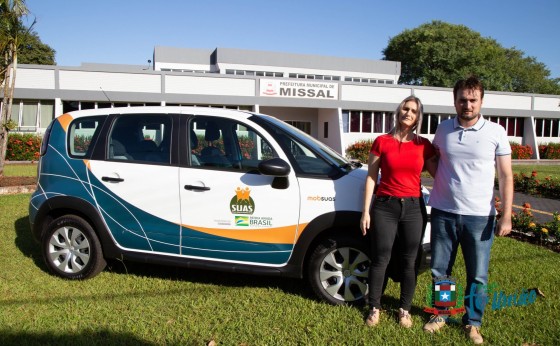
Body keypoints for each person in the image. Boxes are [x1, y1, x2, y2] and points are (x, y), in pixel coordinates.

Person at [423, 76, 513, 344]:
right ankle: (441, 313)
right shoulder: (443, 129)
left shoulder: (496, 132)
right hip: (443, 211)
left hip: (479, 217)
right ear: (455, 101)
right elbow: (432, 158)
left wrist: (506, 215)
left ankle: (472, 322)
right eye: (462, 99)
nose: (468, 105)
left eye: (473, 100)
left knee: (478, 275)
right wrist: (443, 180)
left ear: (481, 101)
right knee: (441, 270)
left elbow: (506, 176)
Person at [360, 95, 437, 328]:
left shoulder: (423, 145)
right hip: (385, 206)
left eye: (413, 111)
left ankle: (404, 309)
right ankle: (374, 307)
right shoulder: (382, 141)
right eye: (405, 108)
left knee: (409, 260)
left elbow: (441, 174)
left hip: (414, 207)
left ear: (418, 117)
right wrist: (366, 211)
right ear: (398, 111)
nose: (408, 113)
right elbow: (371, 177)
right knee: (380, 257)